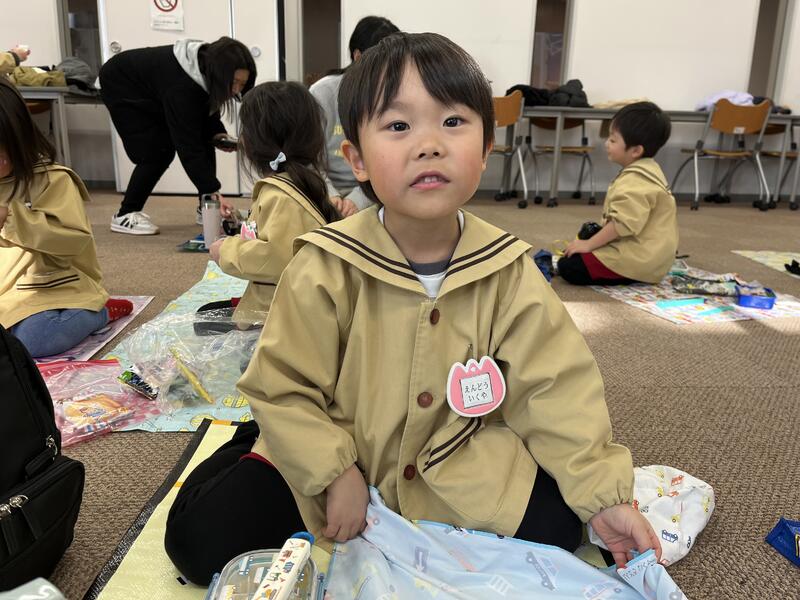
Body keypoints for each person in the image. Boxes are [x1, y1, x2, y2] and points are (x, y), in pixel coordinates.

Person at [164, 32, 660, 585]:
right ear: (357, 158)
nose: (429, 144)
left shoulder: (508, 269)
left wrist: (604, 498)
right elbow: (282, 385)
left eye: (452, 122)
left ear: (486, 146)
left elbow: (556, 389)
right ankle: (250, 441)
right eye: (399, 126)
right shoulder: (325, 264)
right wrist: (332, 471)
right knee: (199, 542)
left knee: (564, 527)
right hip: (336, 443)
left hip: (453, 457)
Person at [0, 79, 131, 357]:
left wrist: (14, 218)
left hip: (51, 286)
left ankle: (100, 312)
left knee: (36, 339)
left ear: (19, 140)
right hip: (5, 292)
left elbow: (73, 241)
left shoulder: (53, 179)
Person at [206, 81, 342, 326]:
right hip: (289, 306)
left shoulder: (280, 195)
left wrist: (225, 250)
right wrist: (240, 219)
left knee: (204, 328)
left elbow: (276, 257)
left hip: (282, 320)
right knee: (208, 314)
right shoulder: (295, 183)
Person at [99, 37, 256, 235]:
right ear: (220, 73)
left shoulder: (206, 69)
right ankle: (125, 214)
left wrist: (217, 132)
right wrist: (213, 190)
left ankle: (207, 207)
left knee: (204, 138)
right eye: (233, 82)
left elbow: (205, 109)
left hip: (153, 87)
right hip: (122, 84)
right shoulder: (181, 86)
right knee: (158, 152)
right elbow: (187, 144)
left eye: (242, 84)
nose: (236, 90)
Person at [558, 102, 678, 285]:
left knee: (569, 266)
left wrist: (589, 245)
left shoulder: (636, 180)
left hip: (641, 259)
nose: (607, 143)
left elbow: (621, 225)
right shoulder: (649, 169)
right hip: (648, 252)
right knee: (589, 232)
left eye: (613, 140)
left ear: (636, 151)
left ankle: (628, 272)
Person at [309, 15, 399, 215]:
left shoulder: (394, 96)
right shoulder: (323, 92)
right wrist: (329, 194)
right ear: (358, 56)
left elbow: (394, 159)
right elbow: (306, 156)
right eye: (381, 62)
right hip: (323, 188)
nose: (388, 72)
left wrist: (359, 199)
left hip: (374, 190)